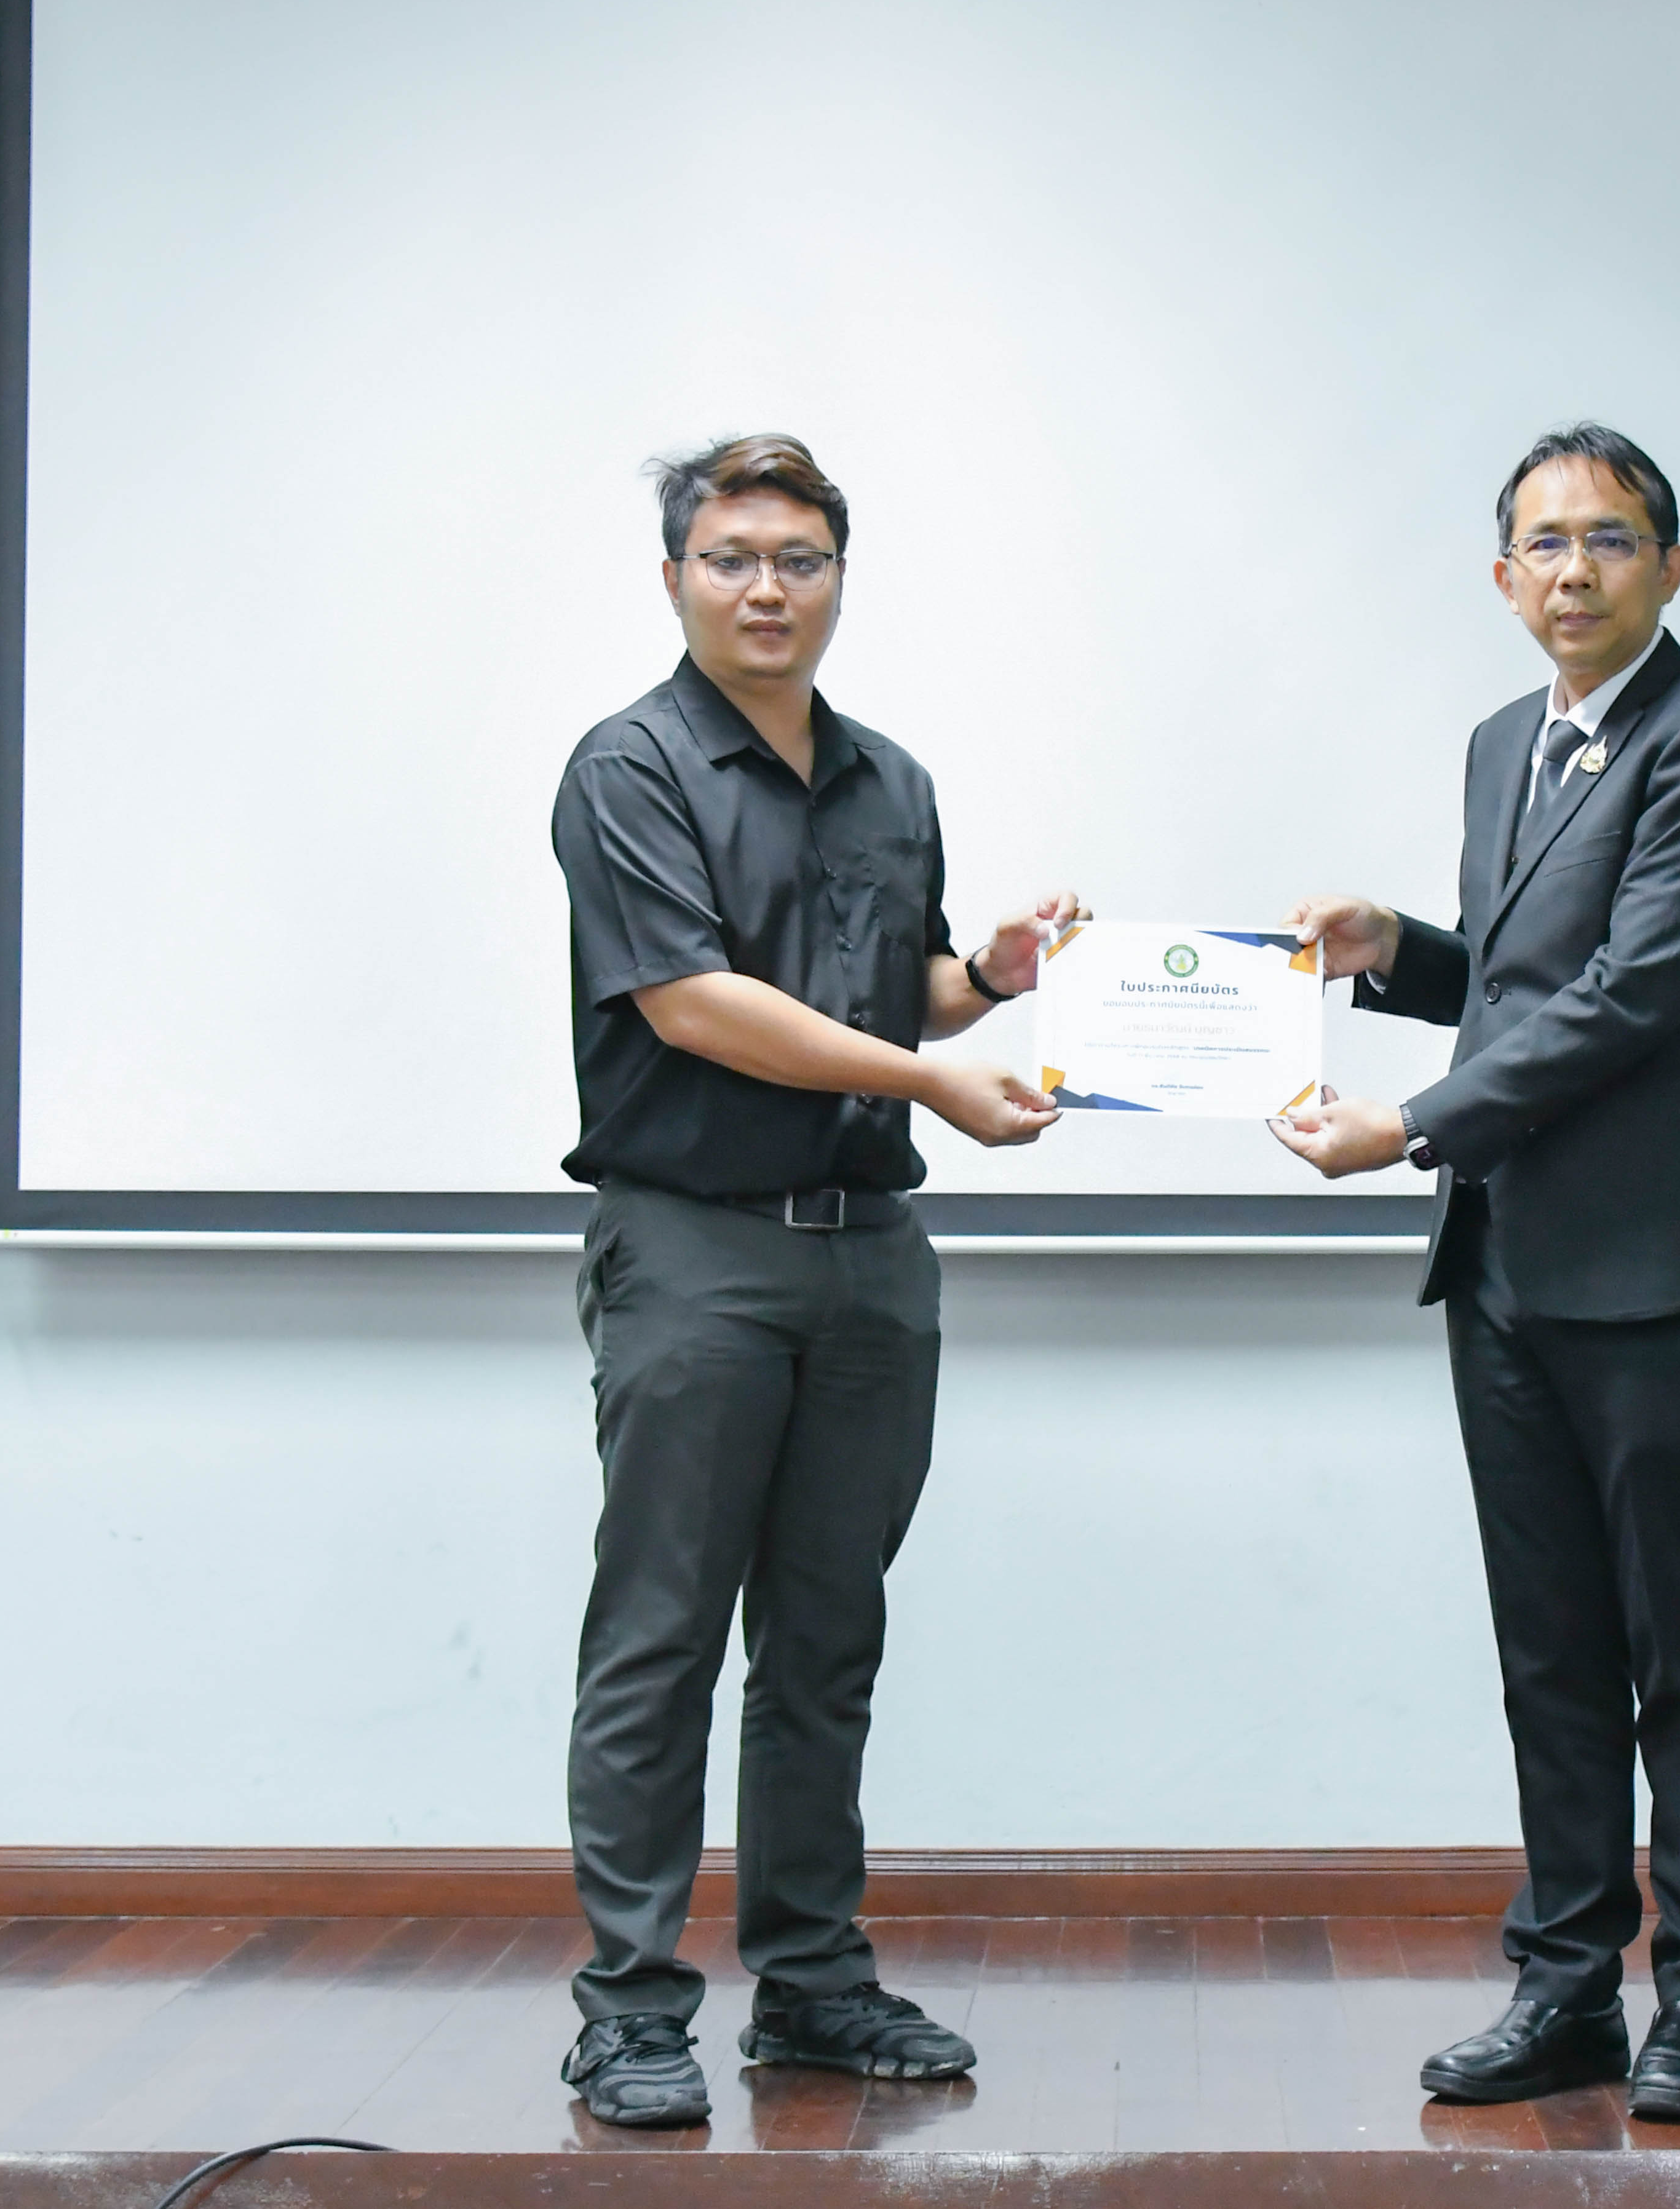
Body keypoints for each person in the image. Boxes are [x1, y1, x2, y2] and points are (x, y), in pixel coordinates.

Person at [548, 432, 1073, 2130]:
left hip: (868, 1263)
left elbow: (885, 989)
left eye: (800, 560)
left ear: (841, 578)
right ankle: (632, 2011)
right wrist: (931, 1079)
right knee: (662, 1639)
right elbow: (696, 1003)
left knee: (827, 1640)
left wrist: (986, 979)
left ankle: (813, 1987)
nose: (767, 589)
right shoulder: (630, 768)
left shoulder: (889, 780)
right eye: (732, 559)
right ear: (676, 579)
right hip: (696, 1254)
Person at [1272, 423, 1680, 2122]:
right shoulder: (1508, 741)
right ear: (1504, 578)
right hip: (1506, 1267)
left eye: (1611, 539)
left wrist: (1412, 1125)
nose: (1576, 570)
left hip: (1659, 1276)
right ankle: (1566, 1987)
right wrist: (1393, 955)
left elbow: (1635, 995)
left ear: (1670, 568)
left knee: (1677, 1652)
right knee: (1550, 1651)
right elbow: (1519, 977)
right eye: (1547, 544)